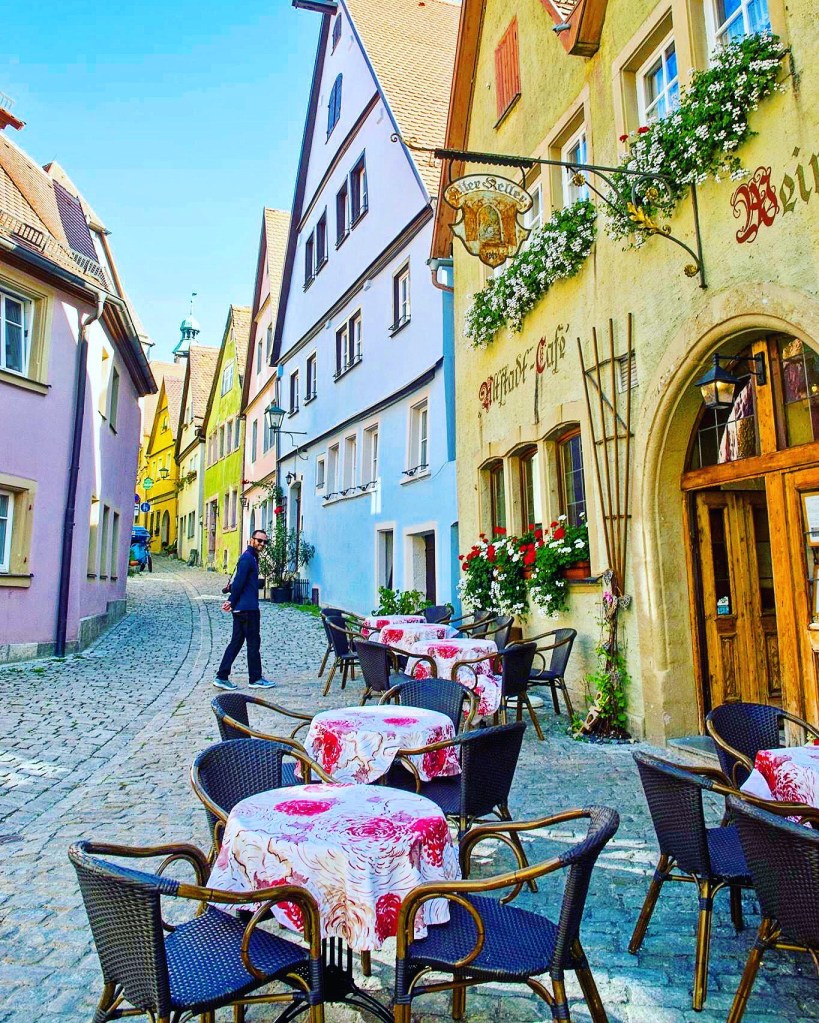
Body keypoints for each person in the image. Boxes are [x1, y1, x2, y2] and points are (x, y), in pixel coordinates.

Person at [213, 529, 277, 690]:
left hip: (243, 608)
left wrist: (232, 599)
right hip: (247, 609)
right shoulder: (247, 558)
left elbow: (242, 582)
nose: (262, 544)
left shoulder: (252, 557)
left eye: (265, 542)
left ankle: (221, 676)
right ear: (252, 540)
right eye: (259, 540)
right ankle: (255, 679)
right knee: (253, 643)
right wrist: (231, 601)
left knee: (236, 643)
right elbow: (239, 582)